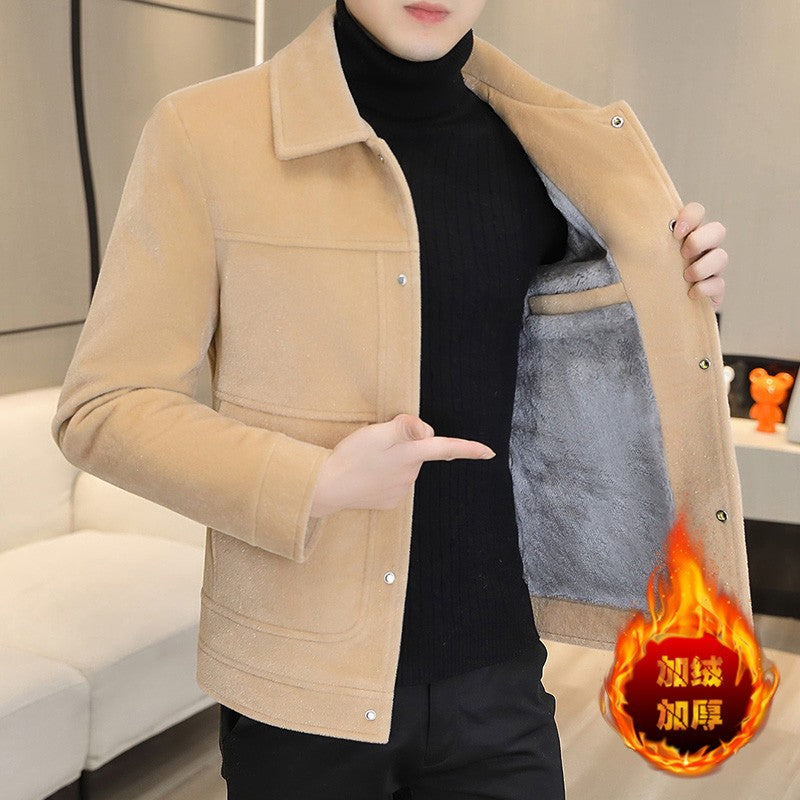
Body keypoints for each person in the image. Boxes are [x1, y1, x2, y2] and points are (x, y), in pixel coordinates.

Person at [52, 1, 744, 798]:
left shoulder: (550, 145)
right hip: (300, 689)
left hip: (500, 678)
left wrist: (677, 296)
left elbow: (572, 381)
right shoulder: (205, 133)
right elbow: (103, 406)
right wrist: (314, 481)